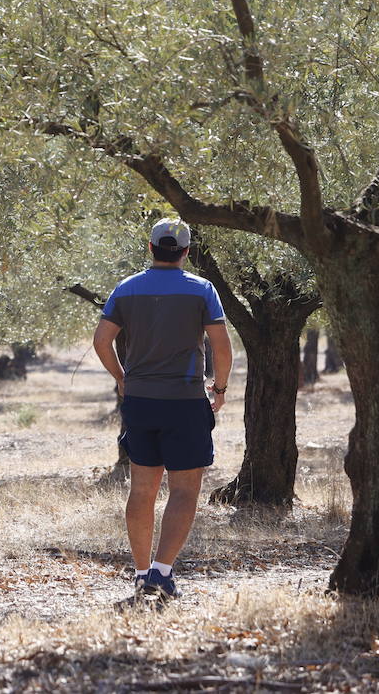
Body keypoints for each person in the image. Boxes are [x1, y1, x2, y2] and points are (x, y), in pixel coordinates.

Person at [92, 219, 232, 601]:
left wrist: (122, 378)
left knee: (142, 490)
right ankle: (163, 572)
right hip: (186, 402)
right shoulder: (202, 289)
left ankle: (141, 574)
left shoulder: (126, 288)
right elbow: (221, 348)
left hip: (141, 403)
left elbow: (102, 340)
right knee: (184, 491)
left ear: (151, 248)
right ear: (186, 252)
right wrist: (219, 389)